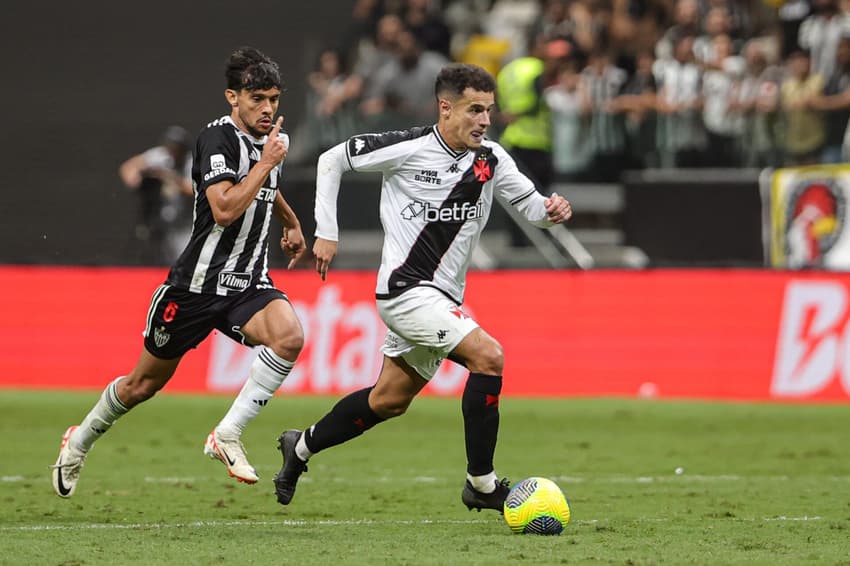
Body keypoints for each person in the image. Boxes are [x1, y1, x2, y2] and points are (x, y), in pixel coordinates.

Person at [272, 63, 573, 512]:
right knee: (489, 356)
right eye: (475, 110)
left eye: (489, 110)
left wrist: (552, 209)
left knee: (388, 400)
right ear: (445, 108)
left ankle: (299, 448)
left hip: (443, 297)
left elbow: (530, 207)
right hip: (405, 291)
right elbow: (331, 159)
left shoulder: (490, 158)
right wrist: (327, 232)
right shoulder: (408, 147)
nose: (485, 120)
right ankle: (482, 484)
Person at [51, 47, 307, 497]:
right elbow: (224, 209)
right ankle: (80, 440)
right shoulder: (216, 140)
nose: (268, 109)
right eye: (257, 99)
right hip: (194, 287)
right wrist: (267, 161)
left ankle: (227, 434)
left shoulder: (269, 142)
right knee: (142, 385)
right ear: (233, 97)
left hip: (246, 284)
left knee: (289, 337)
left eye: (274, 99)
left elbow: (269, 186)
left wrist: (291, 222)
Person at [119, 125, 194, 264]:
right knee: (150, 258)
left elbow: (194, 190)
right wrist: (139, 181)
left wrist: (170, 178)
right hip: (158, 219)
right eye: (171, 147)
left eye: (177, 148)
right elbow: (129, 168)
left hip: (183, 222)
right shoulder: (161, 156)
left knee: (183, 260)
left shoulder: (192, 163)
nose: (173, 152)